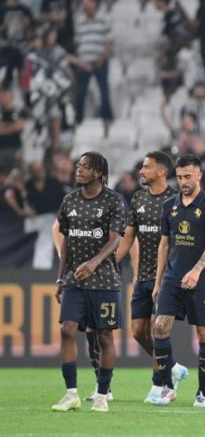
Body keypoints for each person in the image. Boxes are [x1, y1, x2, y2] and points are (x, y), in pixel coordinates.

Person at [51, 152, 126, 413]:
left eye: (84, 166)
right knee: (67, 330)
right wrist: (61, 278)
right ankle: (71, 393)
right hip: (74, 280)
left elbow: (116, 239)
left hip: (104, 281)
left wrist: (94, 263)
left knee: (104, 337)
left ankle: (103, 394)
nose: (78, 169)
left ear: (98, 173)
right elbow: (67, 240)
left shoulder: (114, 200)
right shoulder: (69, 200)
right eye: (78, 165)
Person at [151, 154, 205, 408]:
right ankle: (167, 387)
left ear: (199, 175)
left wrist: (196, 270)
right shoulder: (169, 205)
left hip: (202, 279)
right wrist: (159, 281)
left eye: (187, 176)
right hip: (172, 277)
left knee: (204, 334)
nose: (183, 181)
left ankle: (202, 393)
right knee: (159, 327)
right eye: (179, 177)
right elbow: (164, 244)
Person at [114, 151, 186, 404]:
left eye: (146, 167)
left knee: (158, 330)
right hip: (142, 275)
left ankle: (162, 385)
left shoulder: (176, 200)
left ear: (161, 171)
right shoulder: (138, 198)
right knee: (137, 332)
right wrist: (112, 262)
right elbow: (128, 236)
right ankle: (172, 367)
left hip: (166, 277)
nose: (141, 171)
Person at [71, 0, 113, 133]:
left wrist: (101, 58)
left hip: (100, 61)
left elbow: (108, 42)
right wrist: (81, 61)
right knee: (80, 92)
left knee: (104, 91)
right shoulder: (80, 21)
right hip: (84, 63)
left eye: (87, 3)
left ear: (94, 4)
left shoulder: (103, 20)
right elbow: (78, 44)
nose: (85, 6)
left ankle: (107, 118)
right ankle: (78, 120)